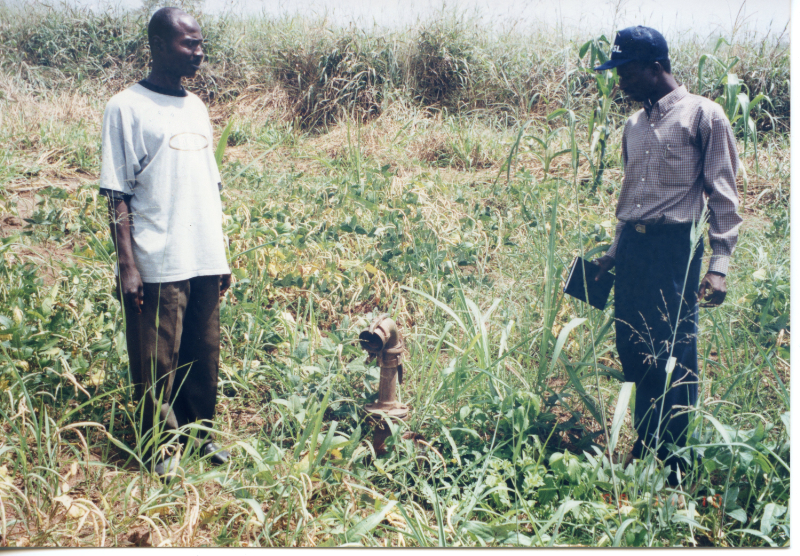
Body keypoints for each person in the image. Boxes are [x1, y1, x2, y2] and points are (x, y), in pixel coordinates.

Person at [593, 26, 742, 487]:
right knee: (634, 348)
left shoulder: (704, 116)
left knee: (675, 353)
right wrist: (613, 254)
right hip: (633, 249)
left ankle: (676, 461)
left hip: (675, 249)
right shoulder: (633, 126)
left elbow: (723, 196)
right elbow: (631, 199)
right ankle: (648, 442)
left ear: (656, 68)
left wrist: (718, 266)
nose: (620, 81)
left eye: (627, 71)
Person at [100, 7, 232, 477]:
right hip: (158, 258)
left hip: (203, 257)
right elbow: (116, 193)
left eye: (200, 43)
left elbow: (210, 186)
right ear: (158, 45)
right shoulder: (125, 107)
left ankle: (200, 436)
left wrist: (221, 255)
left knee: (204, 354)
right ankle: (158, 447)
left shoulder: (196, 107)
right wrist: (128, 266)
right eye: (189, 44)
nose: (199, 52)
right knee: (156, 362)